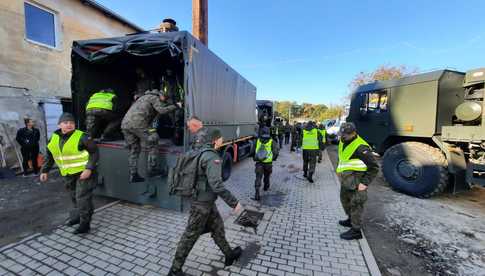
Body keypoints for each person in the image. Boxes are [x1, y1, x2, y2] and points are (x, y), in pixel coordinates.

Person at [168, 129, 243, 276]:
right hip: (201, 206)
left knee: (218, 228)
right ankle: (175, 270)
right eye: (221, 138)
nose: (222, 140)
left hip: (205, 202)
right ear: (215, 140)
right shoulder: (210, 157)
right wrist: (235, 204)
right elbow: (217, 185)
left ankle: (229, 254)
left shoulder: (197, 152)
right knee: (189, 236)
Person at [39, 113, 98, 234]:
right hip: (68, 174)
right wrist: (44, 170)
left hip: (84, 173)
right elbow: (50, 156)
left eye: (71, 123)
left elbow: (94, 152)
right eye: (66, 122)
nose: (69, 125)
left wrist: (89, 169)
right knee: (74, 197)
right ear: (59, 124)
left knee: (82, 198)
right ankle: (77, 217)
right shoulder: (53, 138)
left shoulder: (82, 136)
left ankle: (85, 224)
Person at [121, 89, 182, 183]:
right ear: (160, 94)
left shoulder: (142, 98)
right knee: (153, 139)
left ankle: (133, 174)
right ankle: (153, 170)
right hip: (138, 123)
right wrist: (176, 106)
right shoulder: (154, 97)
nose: (164, 100)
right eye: (164, 98)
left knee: (134, 148)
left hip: (125, 124)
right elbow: (162, 110)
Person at [336, 122, 378, 240]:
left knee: (356, 205)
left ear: (353, 133)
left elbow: (374, 167)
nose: (342, 137)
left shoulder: (361, 147)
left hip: (357, 183)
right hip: (347, 180)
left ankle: (356, 231)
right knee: (345, 202)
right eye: (341, 134)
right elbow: (342, 157)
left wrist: (364, 183)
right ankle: (350, 220)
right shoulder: (343, 141)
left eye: (345, 135)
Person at [253, 127, 279, 201]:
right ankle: (266, 186)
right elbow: (276, 152)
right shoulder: (272, 141)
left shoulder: (257, 140)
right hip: (268, 163)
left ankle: (257, 192)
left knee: (258, 177)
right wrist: (273, 158)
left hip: (259, 163)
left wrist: (255, 158)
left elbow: (252, 151)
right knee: (267, 176)